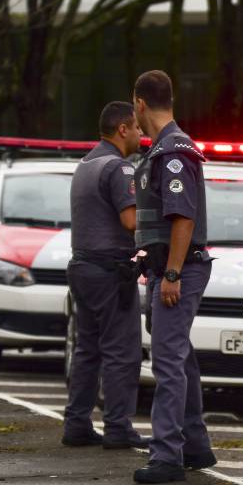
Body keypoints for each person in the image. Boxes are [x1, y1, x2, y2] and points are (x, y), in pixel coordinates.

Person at [130, 70, 217, 484]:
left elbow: (183, 217)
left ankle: (166, 455)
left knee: (166, 361)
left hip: (180, 268)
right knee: (180, 355)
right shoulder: (164, 149)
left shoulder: (174, 152)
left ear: (139, 104)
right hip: (175, 266)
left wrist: (172, 273)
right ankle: (195, 445)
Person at [61, 102, 151, 451]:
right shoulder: (118, 168)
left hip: (82, 268)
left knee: (88, 349)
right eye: (138, 129)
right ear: (123, 129)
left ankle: (77, 424)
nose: (142, 135)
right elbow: (131, 221)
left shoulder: (86, 164)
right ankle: (117, 427)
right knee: (122, 352)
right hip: (110, 271)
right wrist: (162, 224)